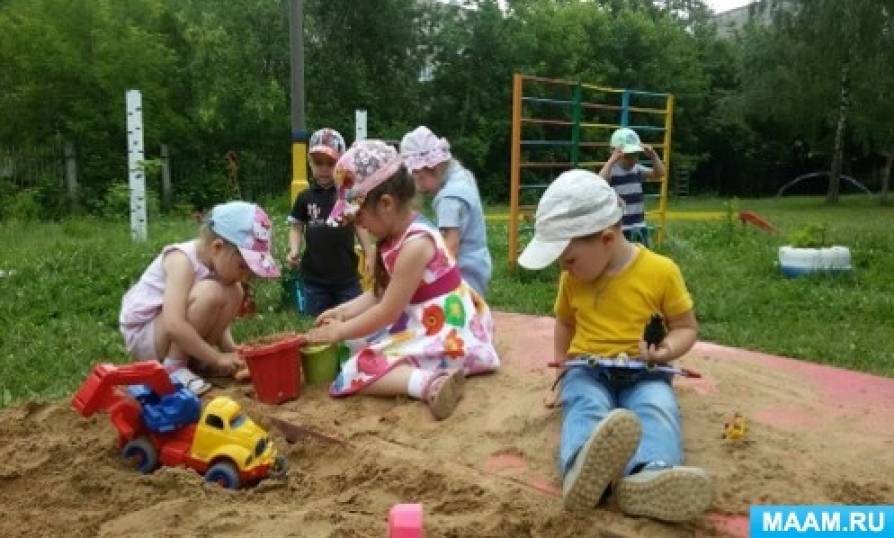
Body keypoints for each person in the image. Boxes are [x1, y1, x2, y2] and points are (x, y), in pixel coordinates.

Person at [518, 170, 712, 521]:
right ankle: (581, 467)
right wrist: (561, 373)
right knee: (585, 403)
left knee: (656, 407)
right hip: (588, 369)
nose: (564, 268)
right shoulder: (572, 279)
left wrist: (666, 351)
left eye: (569, 259)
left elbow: (685, 327)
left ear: (607, 238)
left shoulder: (661, 271)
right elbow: (565, 323)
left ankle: (650, 474)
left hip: (646, 371)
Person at [306, 140, 500, 420]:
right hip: (426, 317)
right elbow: (380, 293)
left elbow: (387, 311)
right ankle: (423, 372)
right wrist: (342, 312)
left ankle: (429, 383)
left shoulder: (415, 245)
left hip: (445, 329)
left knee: (354, 369)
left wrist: (340, 331)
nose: (358, 225)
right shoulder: (393, 237)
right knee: (356, 344)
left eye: (359, 216)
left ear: (386, 204)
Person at [119, 201, 281, 395]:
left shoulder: (216, 266)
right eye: (242, 266)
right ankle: (173, 367)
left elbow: (213, 314)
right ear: (217, 247)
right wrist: (217, 358)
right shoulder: (181, 261)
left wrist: (229, 349)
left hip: (168, 334)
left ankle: (198, 361)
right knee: (210, 292)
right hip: (145, 335)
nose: (245, 275)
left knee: (235, 291)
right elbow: (174, 324)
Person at [287, 128, 376, 316]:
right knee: (317, 321)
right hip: (314, 279)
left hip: (347, 278)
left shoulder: (347, 196)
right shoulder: (305, 197)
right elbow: (296, 226)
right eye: (318, 163)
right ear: (310, 163)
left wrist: (369, 253)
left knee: (352, 318)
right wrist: (294, 250)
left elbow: (359, 225)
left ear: (341, 164)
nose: (324, 169)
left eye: (330, 163)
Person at [399, 126, 491, 297]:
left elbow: (450, 246)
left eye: (418, 179)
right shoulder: (462, 176)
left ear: (430, 169)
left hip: (463, 275)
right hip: (479, 265)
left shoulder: (448, 199)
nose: (419, 187)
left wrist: (428, 278)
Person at [599, 127, 666, 246]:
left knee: (641, 255)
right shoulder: (611, 171)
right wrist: (611, 161)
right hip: (619, 228)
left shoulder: (637, 170)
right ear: (614, 153)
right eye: (627, 156)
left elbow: (660, 173)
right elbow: (599, 182)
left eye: (635, 155)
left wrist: (653, 156)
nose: (632, 160)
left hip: (639, 225)